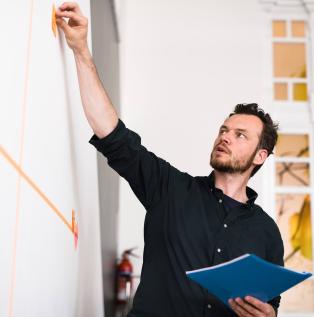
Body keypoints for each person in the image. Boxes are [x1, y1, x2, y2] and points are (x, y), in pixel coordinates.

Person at [56, 3, 284, 316]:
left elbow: (271, 305)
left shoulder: (267, 232)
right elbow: (112, 135)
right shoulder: (170, 189)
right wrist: (81, 49)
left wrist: (268, 314)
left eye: (240, 135)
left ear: (261, 156)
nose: (226, 136)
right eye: (224, 129)